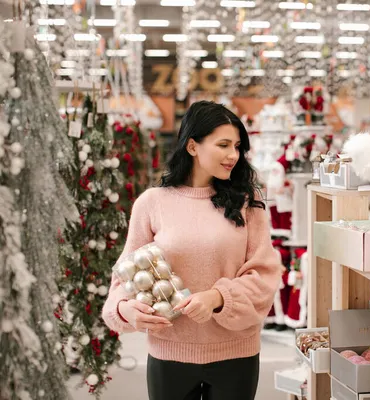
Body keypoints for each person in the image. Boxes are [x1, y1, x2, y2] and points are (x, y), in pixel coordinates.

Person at [102, 101, 284, 400]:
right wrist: (124, 309)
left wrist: (217, 298)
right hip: (168, 354)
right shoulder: (152, 203)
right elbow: (126, 275)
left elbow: (265, 276)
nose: (233, 155)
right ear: (192, 146)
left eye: (238, 146)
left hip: (235, 355)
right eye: (223, 144)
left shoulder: (247, 202)